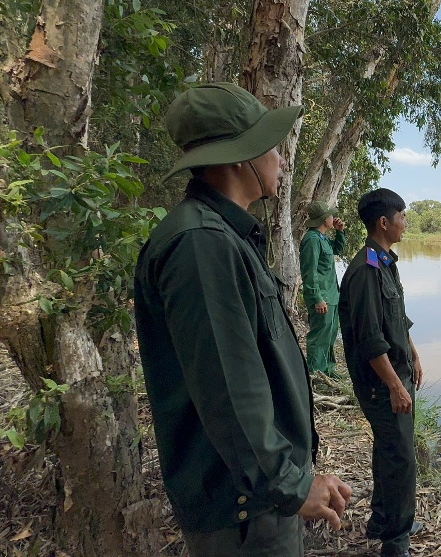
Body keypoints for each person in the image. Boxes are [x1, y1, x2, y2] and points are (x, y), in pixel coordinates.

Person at [134, 82, 352, 556]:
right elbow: (229, 392)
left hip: (256, 497)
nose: (281, 159)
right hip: (244, 511)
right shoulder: (201, 245)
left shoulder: (225, 238)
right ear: (240, 157)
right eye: (272, 147)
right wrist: (291, 485)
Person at [338, 188, 424, 557]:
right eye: (402, 216)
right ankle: (396, 539)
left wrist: (414, 355)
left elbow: (397, 320)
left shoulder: (385, 262)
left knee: (390, 451)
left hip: (397, 375)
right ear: (384, 222)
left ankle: (382, 519)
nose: (406, 222)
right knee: (401, 458)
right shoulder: (365, 271)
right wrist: (394, 386)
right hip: (381, 384)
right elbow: (370, 339)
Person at [299, 201, 346, 375]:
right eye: (331, 215)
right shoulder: (311, 240)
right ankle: (316, 374)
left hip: (332, 296)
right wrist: (317, 298)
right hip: (323, 297)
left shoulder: (322, 238)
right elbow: (309, 273)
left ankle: (328, 370)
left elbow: (337, 250)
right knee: (319, 337)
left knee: (330, 335)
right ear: (324, 218)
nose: (333, 218)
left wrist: (340, 232)